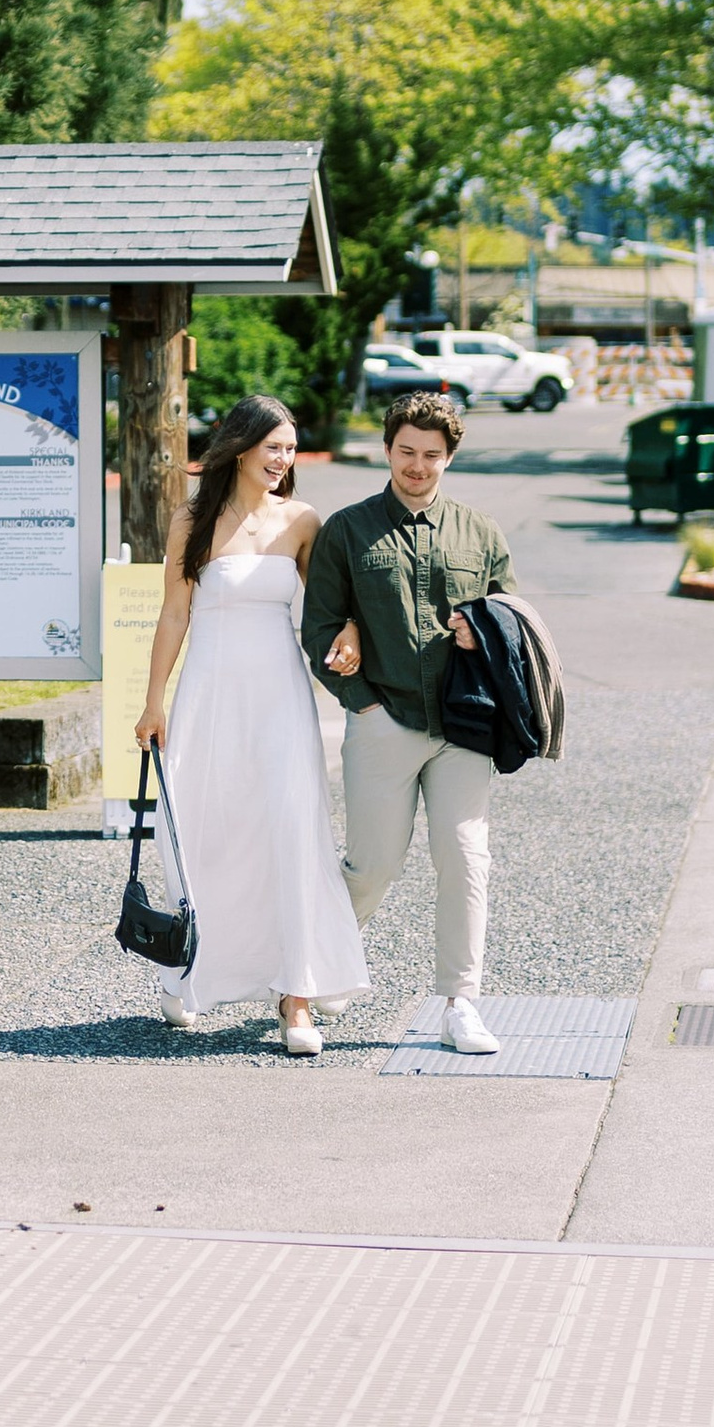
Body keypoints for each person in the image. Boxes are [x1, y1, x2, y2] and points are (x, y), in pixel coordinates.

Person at [133, 392, 370, 1056]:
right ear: (241, 448)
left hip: (279, 697)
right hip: (210, 693)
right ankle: (194, 971)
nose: (284, 459)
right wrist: (153, 703)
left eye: (291, 449)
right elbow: (174, 614)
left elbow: (330, 606)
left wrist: (349, 630)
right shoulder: (190, 521)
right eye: (274, 447)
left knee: (291, 831)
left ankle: (297, 999)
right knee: (208, 830)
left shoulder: (302, 521)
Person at [302, 388, 511, 1056]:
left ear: (449, 457)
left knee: (465, 859)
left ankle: (461, 1003)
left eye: (432, 455)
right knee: (372, 865)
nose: (417, 467)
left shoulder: (481, 533)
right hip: (382, 717)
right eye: (406, 452)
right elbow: (319, 627)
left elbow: (510, 623)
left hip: (461, 726)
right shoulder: (349, 528)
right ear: (387, 449)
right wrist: (360, 700)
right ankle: (326, 961)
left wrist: (485, 637)